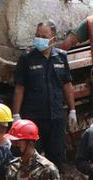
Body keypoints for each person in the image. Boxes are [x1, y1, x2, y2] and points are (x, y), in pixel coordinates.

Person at [13, 21, 76, 170]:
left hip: (56, 117)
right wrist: (16, 115)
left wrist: (72, 110)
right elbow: (19, 88)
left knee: (56, 157)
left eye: (44, 36)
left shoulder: (61, 57)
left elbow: (67, 85)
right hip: (33, 118)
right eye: (37, 36)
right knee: (31, 158)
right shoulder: (27, 58)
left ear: (53, 39)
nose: (39, 39)